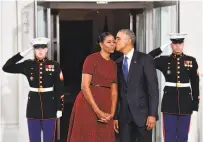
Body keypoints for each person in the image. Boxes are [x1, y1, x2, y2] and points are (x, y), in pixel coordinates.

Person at [2, 37, 64, 142]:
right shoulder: (27, 64)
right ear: (34, 50)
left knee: (49, 139)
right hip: (33, 107)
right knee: (34, 139)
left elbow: (59, 87)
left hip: (50, 106)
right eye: (37, 48)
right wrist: (22, 53)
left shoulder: (54, 65)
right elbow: (6, 67)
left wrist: (59, 108)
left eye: (43, 48)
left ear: (47, 49)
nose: (40, 51)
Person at [148, 33, 200, 142]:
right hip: (169, 103)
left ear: (183, 44)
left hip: (186, 102)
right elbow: (147, 59)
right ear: (171, 45)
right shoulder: (163, 60)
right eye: (175, 43)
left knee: (183, 135)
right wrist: (161, 49)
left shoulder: (191, 60)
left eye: (180, 43)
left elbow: (195, 83)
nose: (177, 46)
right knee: (169, 136)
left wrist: (195, 104)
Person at [67, 32, 118, 142]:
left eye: (114, 42)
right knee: (87, 136)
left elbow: (114, 91)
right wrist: (97, 111)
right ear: (101, 44)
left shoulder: (114, 64)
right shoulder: (91, 59)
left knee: (104, 136)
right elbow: (85, 86)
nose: (112, 44)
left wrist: (112, 113)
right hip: (88, 103)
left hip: (106, 103)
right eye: (108, 42)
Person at [113, 29, 159, 142]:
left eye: (118, 38)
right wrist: (115, 116)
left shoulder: (145, 59)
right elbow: (117, 92)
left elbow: (153, 89)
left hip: (143, 116)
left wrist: (152, 114)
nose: (115, 41)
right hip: (124, 117)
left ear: (129, 41)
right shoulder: (117, 63)